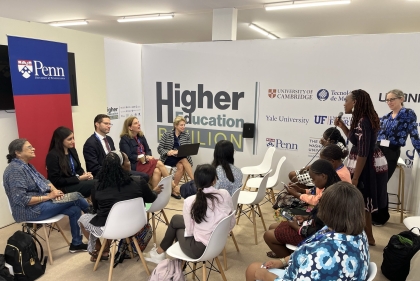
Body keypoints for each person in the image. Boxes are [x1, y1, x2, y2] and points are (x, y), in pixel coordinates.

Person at [246, 182, 369, 281]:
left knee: (253, 270)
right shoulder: (358, 233)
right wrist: (282, 261)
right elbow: (310, 248)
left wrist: (266, 277)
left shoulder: (322, 257)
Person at [3, 138, 89, 253]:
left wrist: (56, 192)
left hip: (41, 203)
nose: (33, 149)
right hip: (29, 210)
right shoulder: (15, 170)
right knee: (77, 196)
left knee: (74, 209)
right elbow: (22, 199)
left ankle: (76, 244)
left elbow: (46, 181)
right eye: (29, 147)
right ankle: (95, 217)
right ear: (18, 153)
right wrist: (49, 197)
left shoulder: (27, 166)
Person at [78, 151, 162, 262]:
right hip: (135, 224)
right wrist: (154, 192)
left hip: (110, 228)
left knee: (84, 219)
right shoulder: (138, 182)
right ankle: (104, 249)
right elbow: (150, 200)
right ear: (121, 166)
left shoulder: (97, 186)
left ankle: (100, 250)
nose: (129, 162)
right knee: (110, 216)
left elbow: (97, 210)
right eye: (127, 160)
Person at [144, 164, 235, 263]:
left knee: (177, 229)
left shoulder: (190, 201)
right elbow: (232, 221)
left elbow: (190, 231)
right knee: (175, 219)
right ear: (214, 180)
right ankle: (160, 253)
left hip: (199, 250)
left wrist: (203, 227)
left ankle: (163, 256)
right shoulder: (225, 194)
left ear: (195, 182)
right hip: (218, 242)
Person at [334, 89, 388, 246]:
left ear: (355, 102)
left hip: (367, 165)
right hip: (366, 162)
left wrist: (355, 178)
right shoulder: (361, 119)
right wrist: (342, 125)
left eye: (346, 100)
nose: (344, 103)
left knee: (363, 202)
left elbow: (363, 152)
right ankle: (365, 236)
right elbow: (356, 140)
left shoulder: (363, 121)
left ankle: (369, 238)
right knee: (361, 202)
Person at [265, 159, 341, 259]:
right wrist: (305, 218)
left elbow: (319, 232)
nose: (313, 182)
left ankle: (291, 263)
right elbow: (320, 216)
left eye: (313, 179)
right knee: (272, 227)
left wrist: (297, 228)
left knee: (268, 235)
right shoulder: (332, 187)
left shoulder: (330, 197)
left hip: (315, 236)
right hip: (312, 226)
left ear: (323, 176)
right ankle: (285, 253)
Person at [374, 89, 420, 225]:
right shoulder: (387, 116)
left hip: (391, 152)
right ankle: (376, 214)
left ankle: (381, 217)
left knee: (381, 183)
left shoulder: (408, 114)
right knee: (377, 183)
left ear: (402, 99)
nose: (389, 102)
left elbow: (414, 134)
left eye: (392, 99)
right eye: (387, 100)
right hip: (379, 150)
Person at [83, 114, 149, 181]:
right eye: (106, 124)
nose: (109, 126)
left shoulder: (109, 139)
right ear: (97, 124)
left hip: (116, 172)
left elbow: (116, 157)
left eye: (110, 124)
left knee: (144, 177)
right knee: (140, 179)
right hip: (104, 175)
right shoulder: (90, 143)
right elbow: (94, 168)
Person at [119, 116, 174, 193]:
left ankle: (154, 194)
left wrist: (148, 156)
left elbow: (148, 150)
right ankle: (173, 186)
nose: (139, 124)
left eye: (138, 122)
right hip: (135, 164)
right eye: (136, 123)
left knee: (157, 171)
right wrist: (143, 157)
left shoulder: (141, 136)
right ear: (130, 127)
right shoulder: (124, 140)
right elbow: (129, 156)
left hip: (146, 162)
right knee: (159, 163)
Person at [46, 126, 95, 198]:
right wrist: (79, 178)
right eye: (69, 139)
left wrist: (86, 175)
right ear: (60, 140)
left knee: (98, 181)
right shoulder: (52, 156)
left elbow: (78, 169)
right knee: (96, 183)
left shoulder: (72, 150)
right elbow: (56, 180)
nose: (73, 141)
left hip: (76, 182)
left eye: (73, 138)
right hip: (63, 188)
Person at [157, 116, 194, 194]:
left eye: (184, 125)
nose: (183, 127)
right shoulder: (166, 134)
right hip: (168, 158)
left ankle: (173, 189)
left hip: (180, 157)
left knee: (181, 166)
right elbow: (159, 148)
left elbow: (187, 149)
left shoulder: (186, 135)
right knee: (184, 160)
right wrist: (168, 152)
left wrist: (177, 152)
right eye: (181, 125)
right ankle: (194, 181)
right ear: (175, 125)